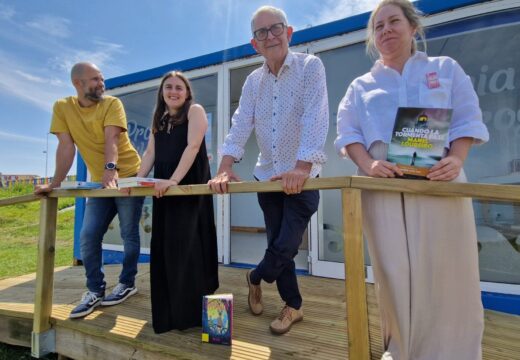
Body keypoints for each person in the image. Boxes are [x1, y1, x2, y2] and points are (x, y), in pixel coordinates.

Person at [334, 1, 489, 359]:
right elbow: (347, 133)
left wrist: (456, 158)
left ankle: (455, 352)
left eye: (394, 22)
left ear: (413, 27)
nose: (386, 30)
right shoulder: (362, 85)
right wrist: (368, 164)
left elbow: (467, 116)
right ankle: (402, 349)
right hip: (383, 185)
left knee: (449, 267)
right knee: (393, 270)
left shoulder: (445, 68)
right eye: (378, 26)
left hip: (441, 181)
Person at [208, 6, 329, 335]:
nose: (271, 35)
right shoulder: (252, 81)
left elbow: (315, 115)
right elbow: (240, 124)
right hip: (267, 177)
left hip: (303, 177)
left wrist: (302, 166)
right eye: (262, 33)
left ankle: (254, 277)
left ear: (289, 33)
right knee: (280, 243)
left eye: (276, 28)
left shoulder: (310, 67)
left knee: (286, 244)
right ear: (255, 44)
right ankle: (294, 306)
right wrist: (223, 167)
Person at [34, 62, 144, 319]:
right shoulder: (63, 108)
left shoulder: (112, 104)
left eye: (102, 79)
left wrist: (110, 169)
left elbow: (112, 140)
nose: (101, 84)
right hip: (100, 180)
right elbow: (65, 148)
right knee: (88, 234)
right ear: (78, 83)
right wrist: (54, 184)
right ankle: (95, 289)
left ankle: (127, 283)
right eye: (95, 79)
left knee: (129, 232)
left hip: (128, 175)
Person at [135, 71, 219, 333]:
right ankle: (170, 314)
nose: (173, 91)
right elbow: (150, 153)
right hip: (164, 191)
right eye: (168, 87)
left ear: (187, 92)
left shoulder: (195, 110)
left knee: (189, 247)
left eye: (179, 87)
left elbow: (193, 147)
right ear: (162, 92)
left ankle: (193, 315)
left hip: (187, 189)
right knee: (166, 249)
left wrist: (173, 181)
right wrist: (136, 181)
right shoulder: (158, 119)